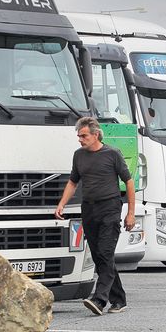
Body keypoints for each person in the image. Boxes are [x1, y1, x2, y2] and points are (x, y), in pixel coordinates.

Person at [55, 117, 136, 315]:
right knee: (100, 256)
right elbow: (73, 182)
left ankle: (99, 300)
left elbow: (129, 182)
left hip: (110, 207)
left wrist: (131, 214)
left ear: (96, 134)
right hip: (89, 209)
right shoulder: (79, 155)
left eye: (84, 136)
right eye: (79, 136)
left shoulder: (112, 154)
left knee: (106, 252)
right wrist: (62, 204)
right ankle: (119, 299)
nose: (80, 140)